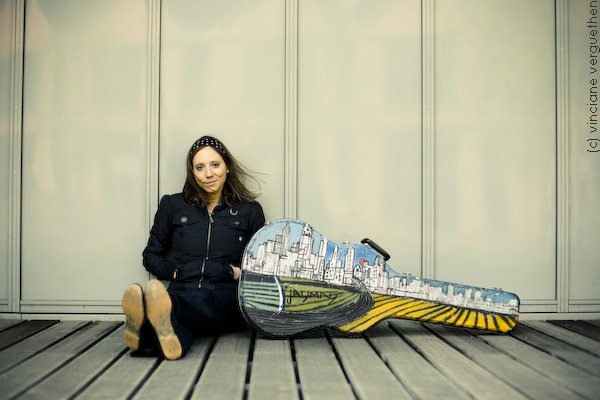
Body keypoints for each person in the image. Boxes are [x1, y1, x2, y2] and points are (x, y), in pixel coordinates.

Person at [121, 135, 265, 360]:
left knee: (188, 304)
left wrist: (234, 271)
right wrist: (175, 272)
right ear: (192, 172)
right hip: (183, 289)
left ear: (227, 167)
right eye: (200, 167)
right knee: (180, 315)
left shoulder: (250, 211)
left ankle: (145, 325)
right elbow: (151, 256)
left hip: (225, 298)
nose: (208, 174)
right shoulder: (172, 205)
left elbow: (261, 268)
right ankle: (153, 337)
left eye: (215, 165)